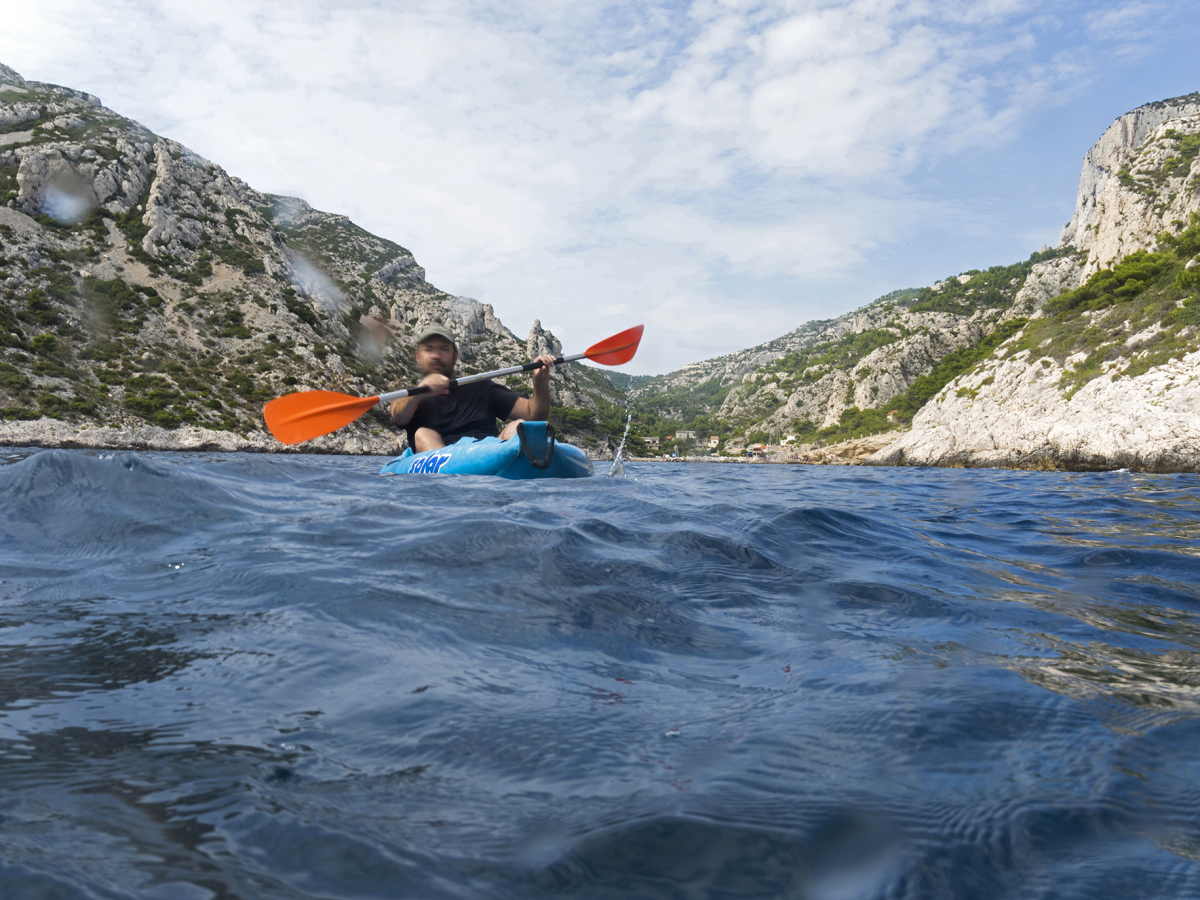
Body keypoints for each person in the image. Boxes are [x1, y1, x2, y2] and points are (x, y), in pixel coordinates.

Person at [390, 325, 558, 452]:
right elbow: (399, 416)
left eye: (443, 349)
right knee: (422, 434)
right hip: (441, 460)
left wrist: (540, 380)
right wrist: (422, 389)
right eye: (429, 349)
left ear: (455, 357)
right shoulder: (409, 397)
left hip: (487, 454)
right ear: (418, 357)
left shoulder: (481, 386)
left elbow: (535, 416)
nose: (436, 355)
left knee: (519, 425)